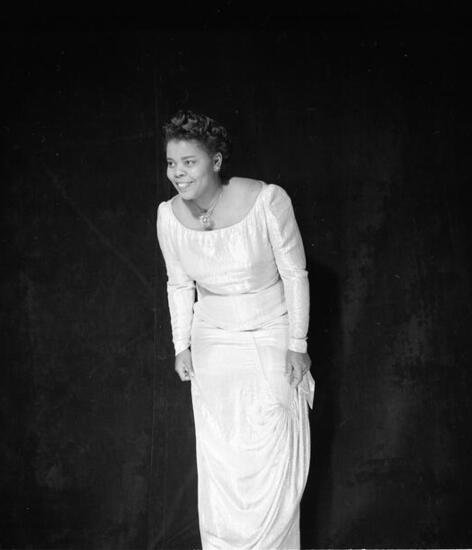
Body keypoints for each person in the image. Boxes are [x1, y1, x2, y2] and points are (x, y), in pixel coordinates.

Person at [156, 110, 315, 550]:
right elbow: (178, 284)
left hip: (271, 332)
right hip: (213, 341)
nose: (177, 173)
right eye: (171, 163)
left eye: (189, 162)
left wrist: (297, 343)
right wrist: (181, 345)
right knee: (222, 457)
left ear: (216, 161)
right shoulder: (167, 216)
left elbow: (295, 273)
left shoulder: (267, 200)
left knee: (271, 452)